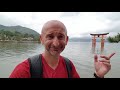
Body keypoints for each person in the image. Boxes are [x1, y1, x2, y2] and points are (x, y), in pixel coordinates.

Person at [9, 20, 115, 78]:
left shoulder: (68, 66)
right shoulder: (25, 69)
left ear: (67, 40)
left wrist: (99, 75)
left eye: (60, 37)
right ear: (41, 39)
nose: (56, 43)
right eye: (50, 36)